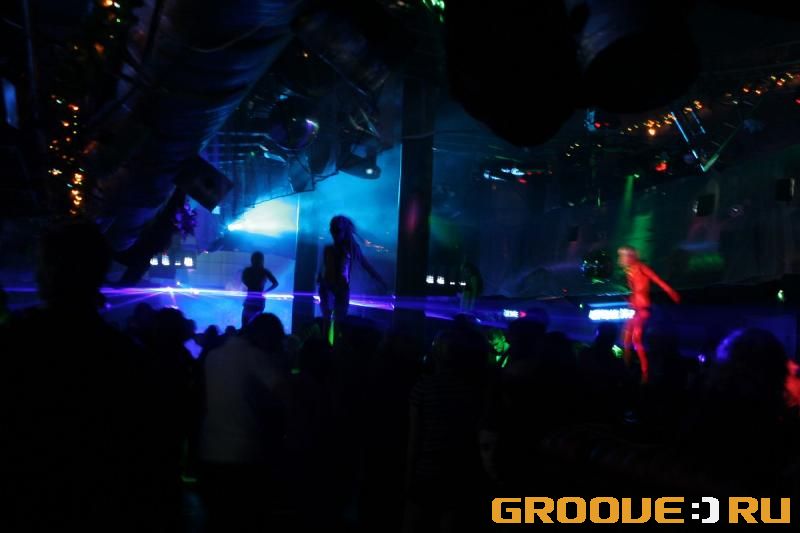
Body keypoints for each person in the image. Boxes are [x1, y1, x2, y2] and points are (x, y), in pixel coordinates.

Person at [617, 245, 680, 383]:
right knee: (626, 340)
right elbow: (634, 291)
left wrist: (671, 292)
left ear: (630, 256)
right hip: (634, 309)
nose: (621, 258)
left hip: (643, 309)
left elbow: (657, 280)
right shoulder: (629, 272)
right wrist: (628, 299)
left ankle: (645, 372)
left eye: (623, 255)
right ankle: (625, 370)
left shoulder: (641, 267)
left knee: (636, 340)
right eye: (621, 256)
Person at [317, 215, 388, 328]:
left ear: (344, 231)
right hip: (330, 288)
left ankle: (331, 337)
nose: (334, 234)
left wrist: (380, 280)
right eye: (333, 230)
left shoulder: (350, 249)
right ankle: (329, 337)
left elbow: (366, 265)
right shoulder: (331, 249)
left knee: (336, 323)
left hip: (338, 289)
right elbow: (323, 269)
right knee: (331, 322)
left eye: (337, 230)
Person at [241, 251, 278, 327]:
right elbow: (275, 283)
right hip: (258, 298)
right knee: (255, 321)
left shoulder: (248, 270)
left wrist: (248, 286)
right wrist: (265, 291)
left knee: (246, 322)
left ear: (252, 259)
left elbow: (244, 280)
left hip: (251, 297)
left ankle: (246, 332)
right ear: (262, 260)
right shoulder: (264, 271)